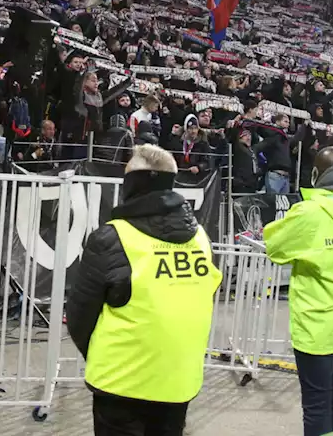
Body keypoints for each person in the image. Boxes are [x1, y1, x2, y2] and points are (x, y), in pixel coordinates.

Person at [66, 144, 222, 436]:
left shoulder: (112, 237)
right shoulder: (200, 238)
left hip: (121, 382)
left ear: (133, 185)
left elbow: (79, 315)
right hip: (178, 380)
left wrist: (104, 355)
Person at [264, 146, 333, 436]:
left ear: (317, 175)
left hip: (318, 323)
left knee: (316, 404)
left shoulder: (310, 212)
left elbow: (275, 246)